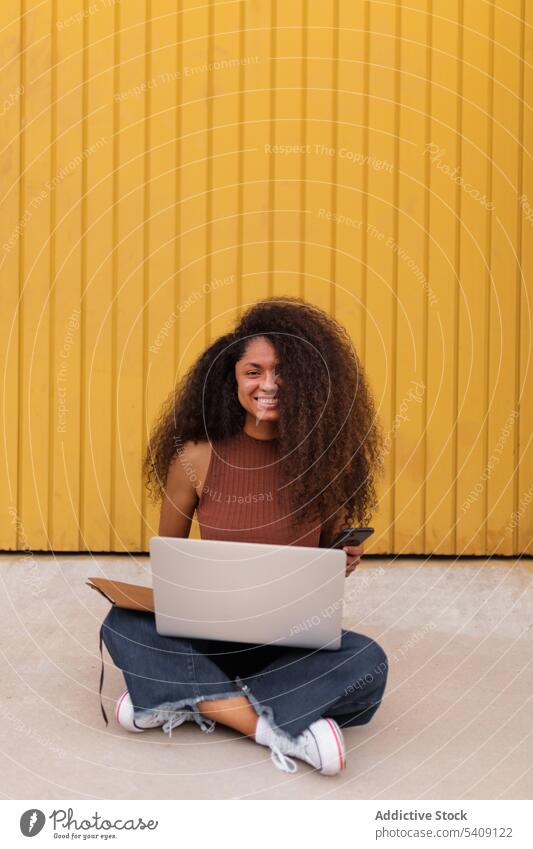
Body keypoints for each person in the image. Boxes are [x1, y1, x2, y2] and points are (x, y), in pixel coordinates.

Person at [101, 296, 388, 775]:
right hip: (210, 634)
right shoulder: (196, 458)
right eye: (254, 371)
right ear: (231, 378)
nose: (269, 385)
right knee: (121, 622)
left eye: (282, 373)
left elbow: (325, 563)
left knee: (370, 663)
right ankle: (274, 727)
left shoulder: (325, 463)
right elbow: (168, 559)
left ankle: (183, 697)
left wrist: (344, 560)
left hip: (289, 641)